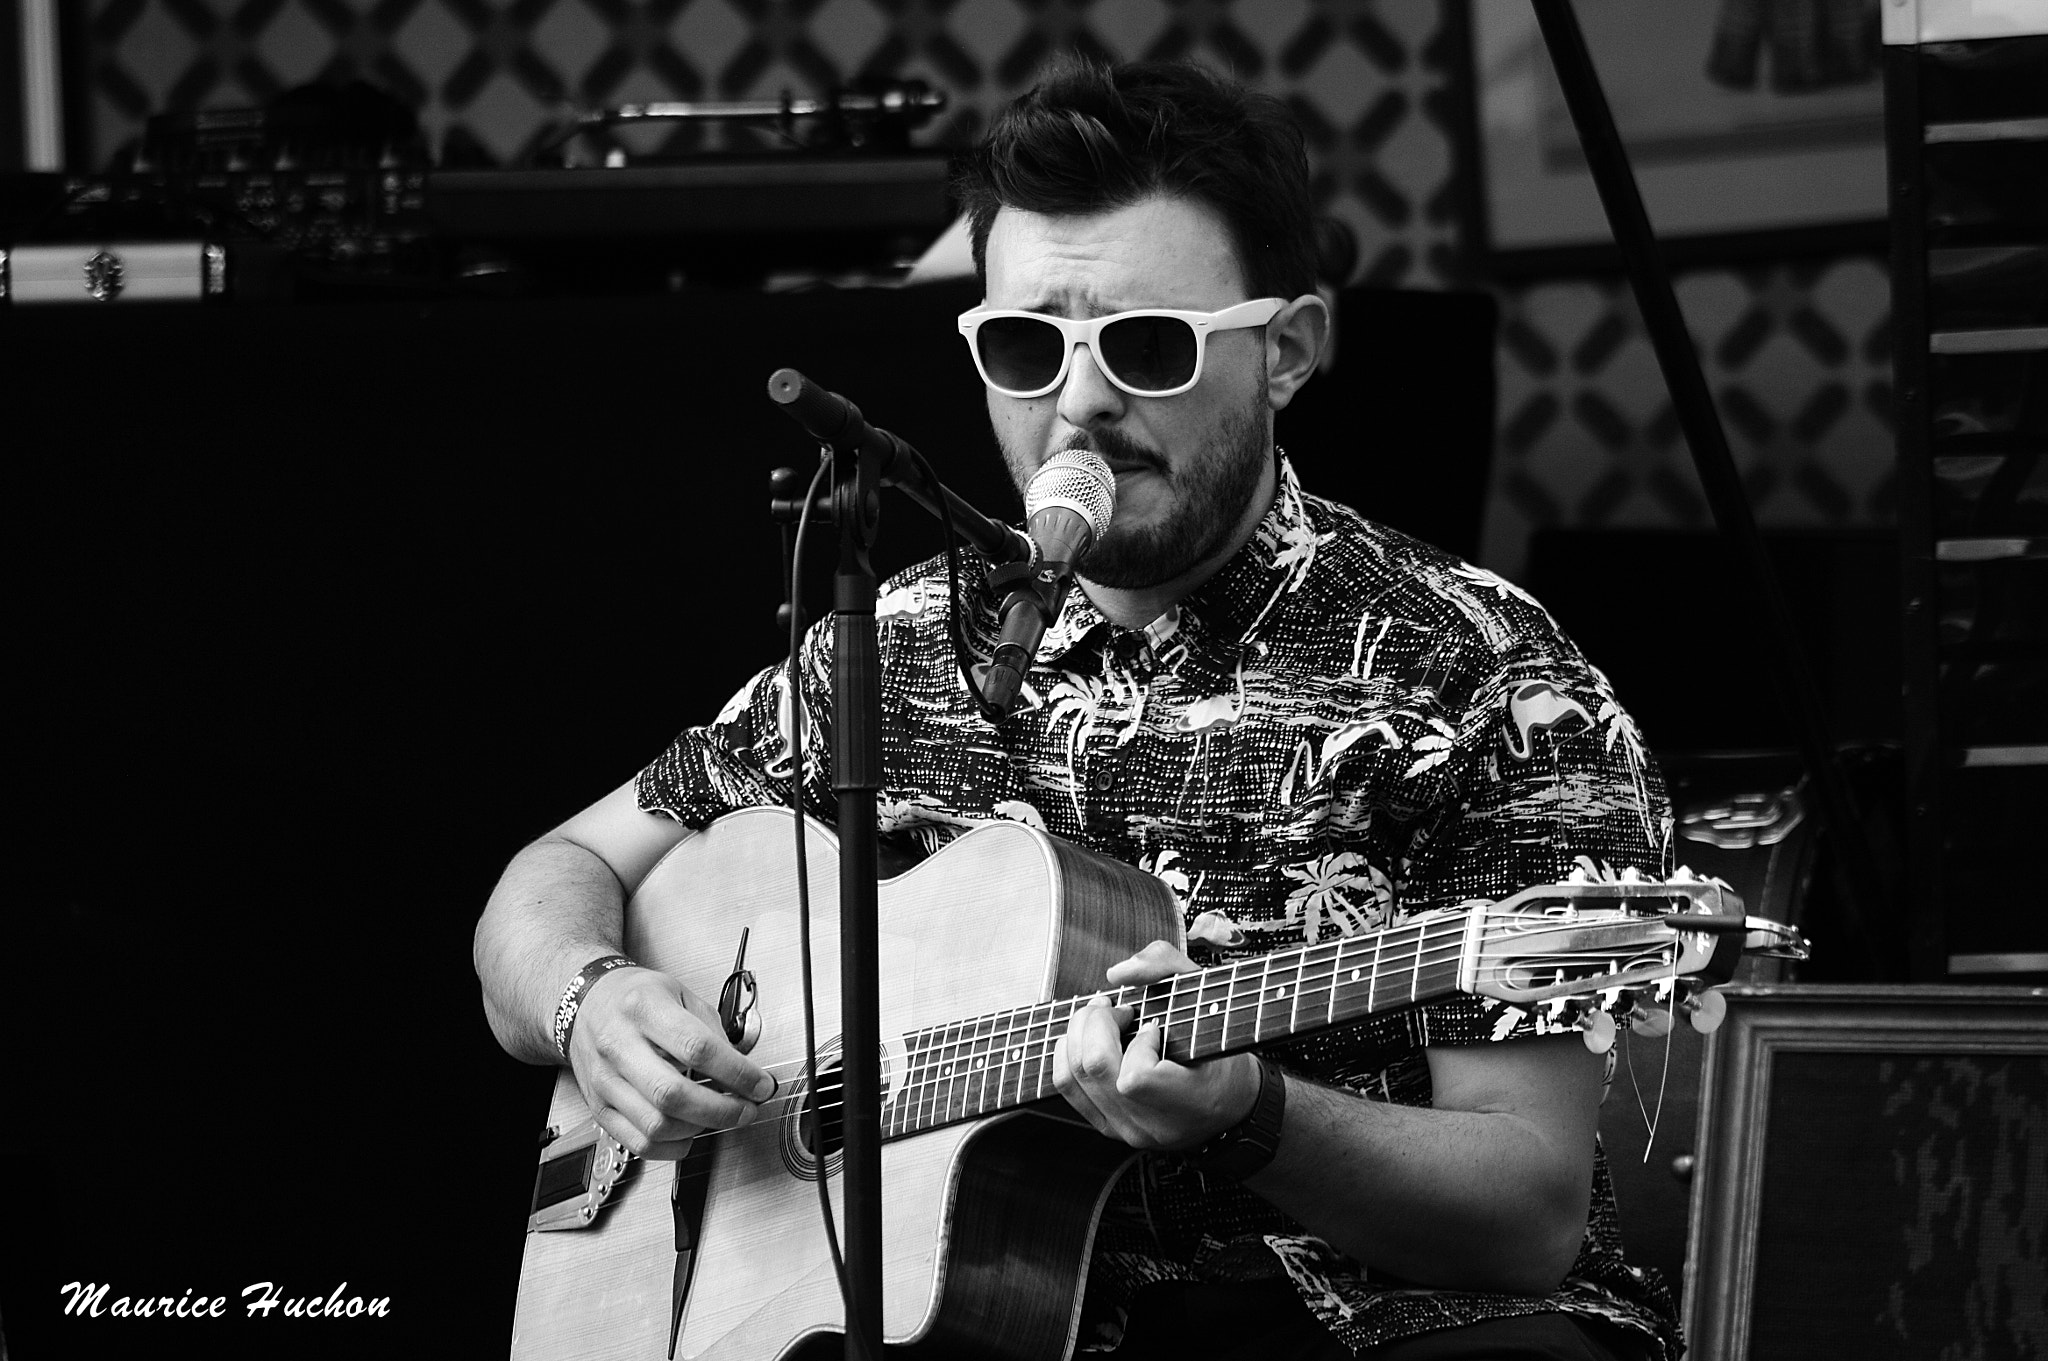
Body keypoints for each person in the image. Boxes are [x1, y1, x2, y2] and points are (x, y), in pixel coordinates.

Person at [475, 57, 1679, 1361]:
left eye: (1148, 345)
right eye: (1028, 345)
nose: (1081, 401)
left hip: (1373, 1323)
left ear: (1287, 353)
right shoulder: (895, 645)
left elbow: (1530, 1211)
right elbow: (554, 875)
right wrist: (590, 1001)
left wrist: (1254, 1111)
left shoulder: (1487, 679)